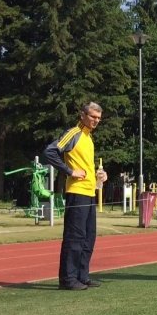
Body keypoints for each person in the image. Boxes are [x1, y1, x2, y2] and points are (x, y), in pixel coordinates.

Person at [43, 102, 108, 291]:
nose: (96, 120)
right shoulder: (74, 134)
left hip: (90, 192)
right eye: (93, 116)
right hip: (77, 192)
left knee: (89, 237)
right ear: (82, 115)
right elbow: (50, 151)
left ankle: (82, 275)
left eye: (98, 118)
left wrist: (99, 176)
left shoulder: (89, 138)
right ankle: (68, 279)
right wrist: (70, 171)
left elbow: (85, 166)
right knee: (75, 237)